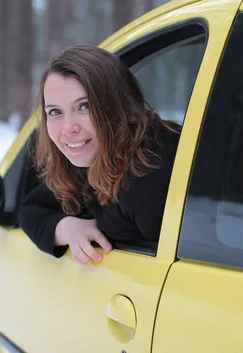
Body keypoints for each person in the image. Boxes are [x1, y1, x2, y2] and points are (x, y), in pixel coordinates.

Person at [18, 45, 181, 265]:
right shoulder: (86, 160)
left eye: (84, 106)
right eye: (55, 112)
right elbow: (30, 210)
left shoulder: (151, 168)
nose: (68, 128)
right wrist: (68, 228)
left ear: (117, 104)